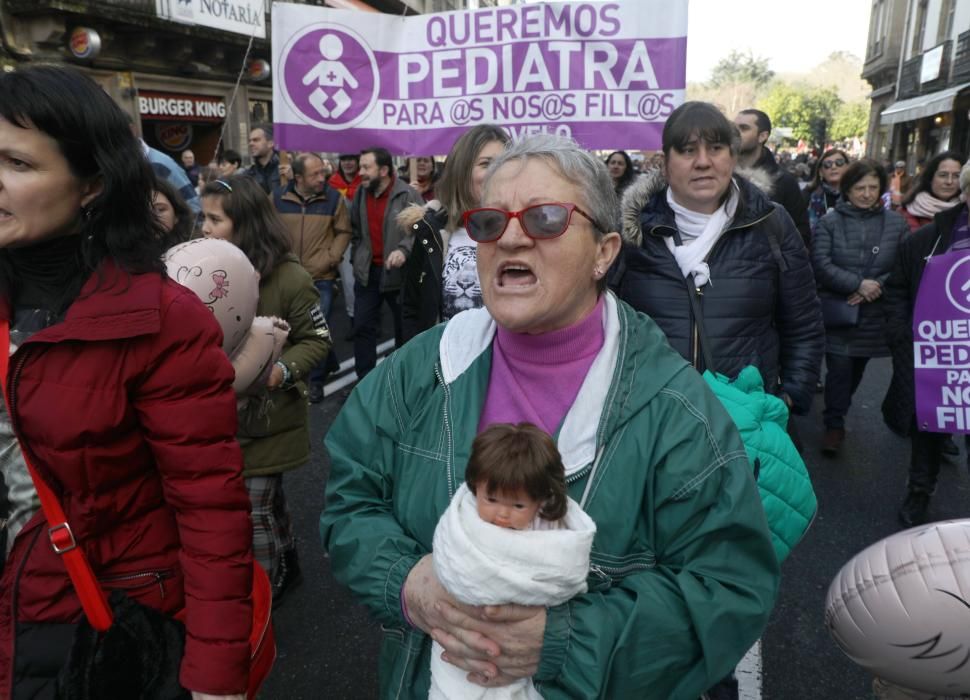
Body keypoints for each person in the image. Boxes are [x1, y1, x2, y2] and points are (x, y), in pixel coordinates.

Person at [321, 132, 780, 699]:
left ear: (604, 252)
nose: (511, 237)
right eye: (490, 221)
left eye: (544, 218)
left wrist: (564, 639)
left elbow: (728, 589)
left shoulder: (673, 408)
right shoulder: (422, 367)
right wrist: (407, 582)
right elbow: (350, 500)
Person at [0, 64, 252, 700]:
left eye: (17, 164)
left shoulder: (162, 322)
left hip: (90, 625)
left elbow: (209, 511)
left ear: (90, 183)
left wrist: (216, 677)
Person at [615, 101, 824, 425]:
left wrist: (790, 396)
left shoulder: (771, 223)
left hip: (745, 421)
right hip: (654, 424)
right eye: (687, 151)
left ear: (732, 156)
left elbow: (803, 323)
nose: (703, 162)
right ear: (666, 164)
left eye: (715, 148)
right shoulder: (631, 233)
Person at [201, 174, 331, 606]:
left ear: (245, 224)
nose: (204, 228)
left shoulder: (290, 278)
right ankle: (288, 558)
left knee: (253, 511)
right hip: (220, 417)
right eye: (203, 218)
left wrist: (280, 371)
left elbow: (318, 339)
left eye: (214, 220)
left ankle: (261, 598)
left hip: (269, 421)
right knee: (266, 505)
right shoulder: (204, 273)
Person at [428, 422, 595, 700]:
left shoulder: (552, 530)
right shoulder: (462, 520)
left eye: (518, 506)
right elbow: (453, 561)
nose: (502, 514)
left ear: (542, 499)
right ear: (475, 487)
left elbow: (566, 571)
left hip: (527, 653)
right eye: (491, 499)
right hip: (460, 647)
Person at [883, 160, 970, 527]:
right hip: (938, 357)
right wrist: (904, 335)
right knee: (929, 430)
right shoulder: (928, 238)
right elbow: (897, 288)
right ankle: (919, 491)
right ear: (966, 192)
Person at [812, 160, 906, 456]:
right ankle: (834, 423)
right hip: (838, 310)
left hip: (875, 314)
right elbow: (820, 263)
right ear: (847, 189)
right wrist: (855, 284)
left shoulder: (896, 223)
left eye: (872, 187)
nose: (866, 194)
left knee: (856, 370)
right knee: (838, 368)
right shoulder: (830, 222)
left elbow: (903, 265)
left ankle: (838, 408)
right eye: (859, 188)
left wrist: (873, 286)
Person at [399, 124, 509, 342]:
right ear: (463, 171)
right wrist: (415, 366)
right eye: (486, 164)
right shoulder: (431, 230)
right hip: (445, 362)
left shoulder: (524, 230)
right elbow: (411, 307)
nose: (496, 172)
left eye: (503, 164)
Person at [273, 152, 351, 403]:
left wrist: (331, 258)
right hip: (286, 276)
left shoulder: (333, 199)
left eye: (322, 172)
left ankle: (314, 382)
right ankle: (327, 362)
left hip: (321, 277)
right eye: (314, 174)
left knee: (317, 331)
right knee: (291, 330)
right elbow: (265, 227)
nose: (322, 178)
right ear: (298, 177)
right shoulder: (277, 198)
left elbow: (343, 231)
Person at [348, 147, 423, 378]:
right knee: (362, 327)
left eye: (366, 167)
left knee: (404, 329)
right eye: (361, 167)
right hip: (368, 273)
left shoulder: (407, 194)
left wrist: (404, 250)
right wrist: (357, 257)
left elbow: (422, 228)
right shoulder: (361, 193)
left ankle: (401, 380)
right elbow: (356, 230)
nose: (361, 172)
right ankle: (365, 382)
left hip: (399, 274)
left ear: (383, 170)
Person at [735, 109, 811, 247]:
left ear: (762, 136)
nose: (735, 133)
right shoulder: (721, 175)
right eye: (733, 128)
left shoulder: (783, 181)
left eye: (744, 128)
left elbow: (800, 233)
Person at [330, 153, 363, 321]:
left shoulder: (365, 181)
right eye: (344, 159)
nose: (347, 163)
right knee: (349, 283)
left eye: (351, 159)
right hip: (345, 239)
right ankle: (353, 318)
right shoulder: (332, 184)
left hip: (366, 238)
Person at [898, 151, 964, 232]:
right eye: (943, 175)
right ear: (930, 178)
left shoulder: (965, 213)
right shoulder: (904, 213)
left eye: (956, 176)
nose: (949, 181)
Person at [804, 148, 851, 238]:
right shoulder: (807, 196)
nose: (833, 167)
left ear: (847, 167)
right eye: (827, 164)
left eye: (839, 162)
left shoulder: (857, 195)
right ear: (821, 172)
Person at [153, 176, 196, 248]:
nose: (151, 217)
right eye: (143, 211)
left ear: (176, 215)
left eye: (159, 210)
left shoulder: (192, 248)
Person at [247, 124, 282, 194]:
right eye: (250, 141)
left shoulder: (284, 169)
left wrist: (291, 180)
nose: (251, 144)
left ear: (270, 143)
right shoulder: (248, 175)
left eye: (256, 140)